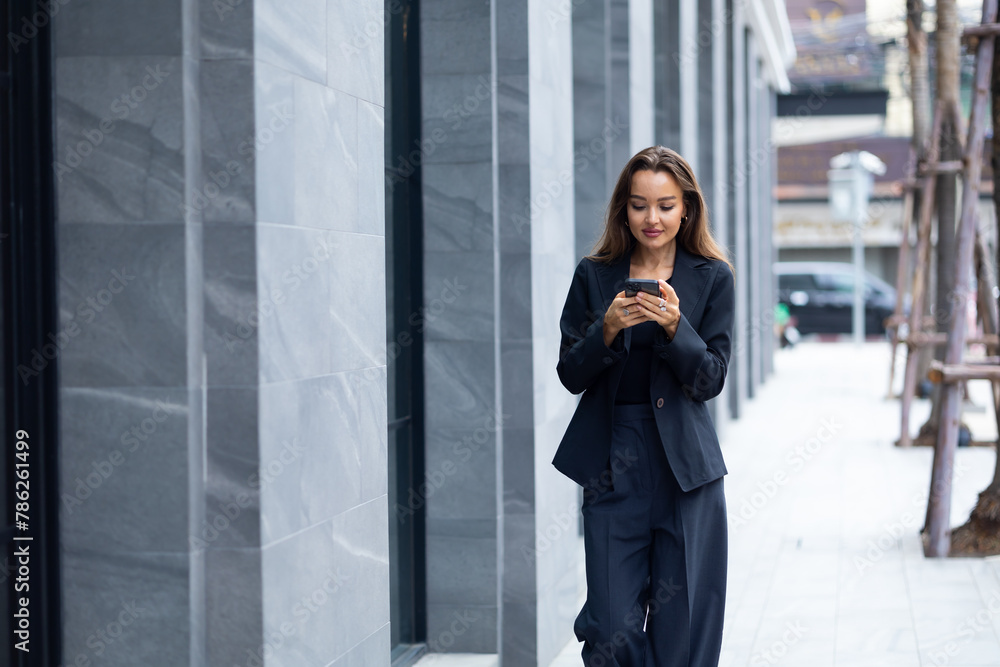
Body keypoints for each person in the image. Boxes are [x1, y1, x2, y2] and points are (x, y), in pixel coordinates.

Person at [553, 146, 735, 667]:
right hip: (614, 468)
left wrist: (678, 329)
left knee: (685, 632)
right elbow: (570, 374)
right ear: (623, 209)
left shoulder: (713, 277)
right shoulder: (594, 275)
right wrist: (607, 329)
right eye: (638, 205)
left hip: (687, 474)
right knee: (611, 628)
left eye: (665, 205)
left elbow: (710, 380)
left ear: (686, 209)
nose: (651, 218)